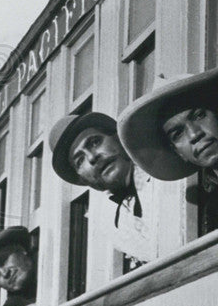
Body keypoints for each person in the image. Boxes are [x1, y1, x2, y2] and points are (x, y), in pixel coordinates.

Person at [118, 67, 218, 232]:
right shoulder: (208, 209)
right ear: (177, 152)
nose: (194, 134)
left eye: (199, 116)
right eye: (177, 134)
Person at [48, 111, 157, 269]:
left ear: (117, 137)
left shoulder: (160, 171)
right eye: (80, 160)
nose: (92, 157)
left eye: (94, 142)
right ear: (82, 179)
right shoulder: (105, 221)